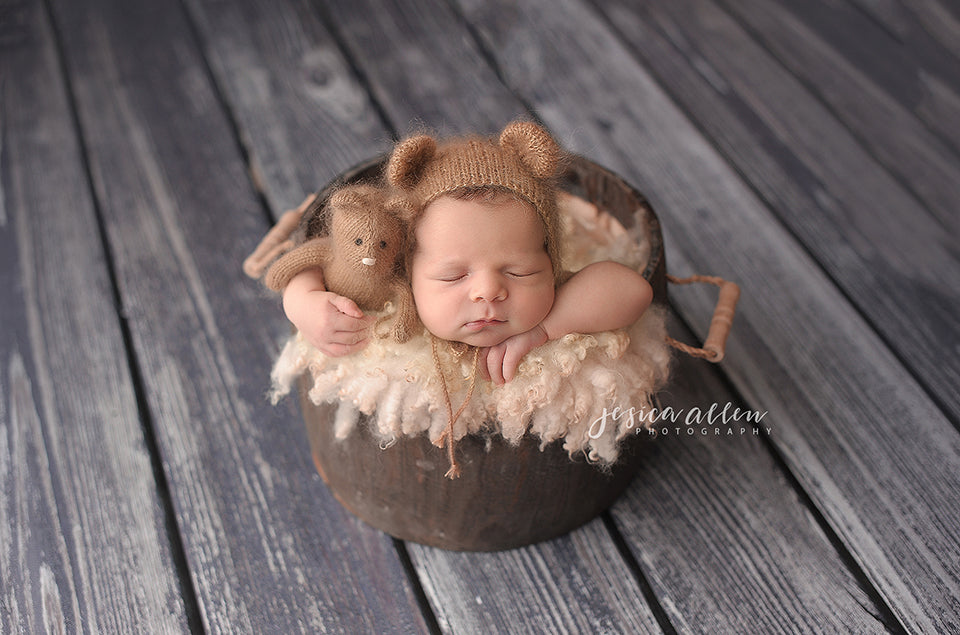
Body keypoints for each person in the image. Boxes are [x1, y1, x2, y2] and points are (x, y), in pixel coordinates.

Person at [280, 121, 652, 384]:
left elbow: (633, 290)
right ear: (405, 268)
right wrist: (304, 302)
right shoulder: (386, 286)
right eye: (453, 275)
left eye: (520, 271)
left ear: (550, 261)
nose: (488, 292)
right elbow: (323, 257)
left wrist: (543, 330)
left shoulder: (555, 303)